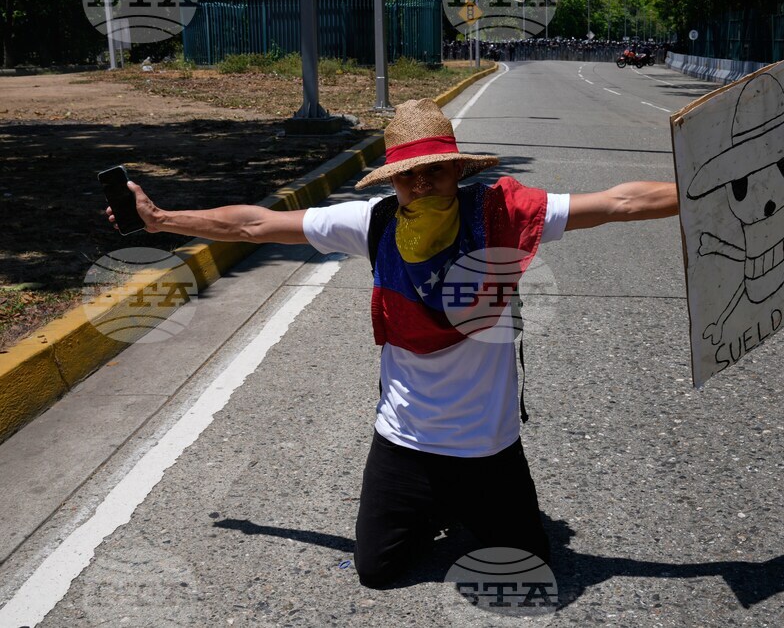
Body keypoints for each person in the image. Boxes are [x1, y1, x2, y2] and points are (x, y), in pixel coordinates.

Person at [105, 97, 679, 587]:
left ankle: (462, 506)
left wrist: (710, 187)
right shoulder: (373, 224)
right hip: (405, 441)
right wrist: (162, 219)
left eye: (435, 172)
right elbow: (255, 224)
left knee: (530, 564)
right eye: (408, 175)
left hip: (489, 447)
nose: (422, 185)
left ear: (458, 171)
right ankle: (433, 505)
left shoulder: (504, 214)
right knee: (377, 570)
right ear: (392, 181)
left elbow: (619, 203)